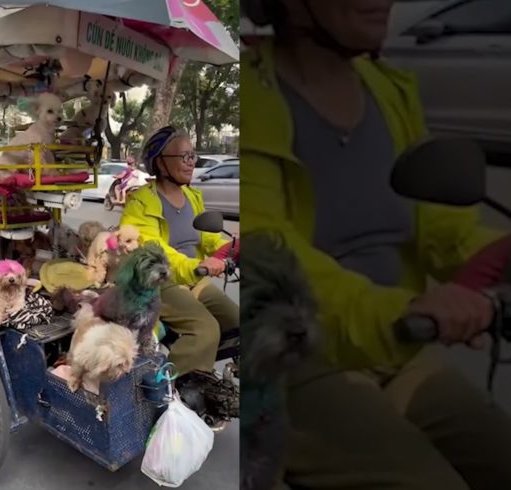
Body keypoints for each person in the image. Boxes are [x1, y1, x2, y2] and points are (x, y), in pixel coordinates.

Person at [241, 0, 511, 489]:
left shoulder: (389, 88)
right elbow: (270, 254)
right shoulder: (254, 97)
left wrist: (498, 253)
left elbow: (440, 229)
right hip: (301, 360)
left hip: (401, 345)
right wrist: (402, 310)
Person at [120, 126, 240, 376]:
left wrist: (232, 249)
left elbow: (208, 239)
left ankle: (198, 368)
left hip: (193, 278)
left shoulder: (193, 196)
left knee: (237, 321)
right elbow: (153, 249)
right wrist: (195, 267)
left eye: (192, 156)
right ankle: (170, 392)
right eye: (184, 157)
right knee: (205, 330)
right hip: (159, 281)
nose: (191, 163)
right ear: (161, 163)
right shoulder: (140, 201)